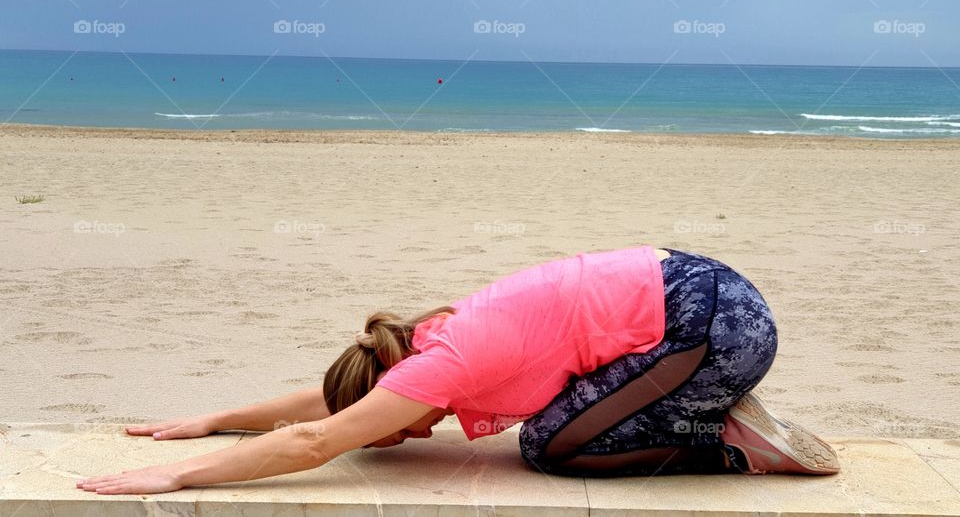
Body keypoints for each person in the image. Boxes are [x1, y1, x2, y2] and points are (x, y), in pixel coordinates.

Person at [77, 246, 839, 495]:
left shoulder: (444, 363)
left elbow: (318, 441)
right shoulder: (427, 340)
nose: (404, 437)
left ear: (394, 387)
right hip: (707, 297)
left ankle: (728, 441)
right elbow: (334, 405)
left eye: (393, 430)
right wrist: (217, 418)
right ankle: (697, 406)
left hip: (714, 331)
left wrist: (180, 476)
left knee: (549, 446)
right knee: (566, 415)